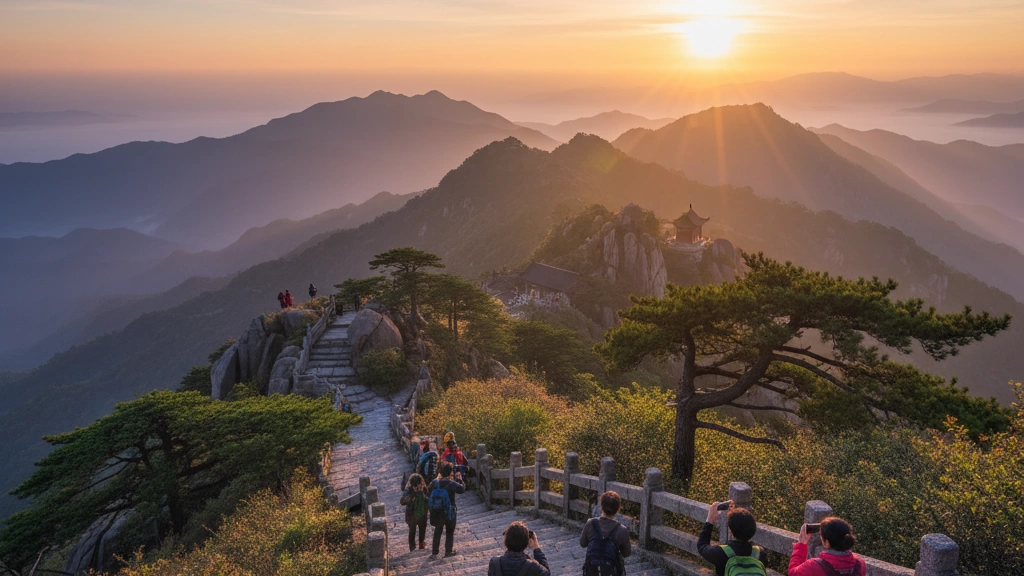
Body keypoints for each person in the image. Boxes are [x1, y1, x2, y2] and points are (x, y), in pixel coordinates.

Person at [698, 500, 766, 576]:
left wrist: (709, 521)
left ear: (731, 530)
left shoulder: (721, 553)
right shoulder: (760, 553)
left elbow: (701, 546)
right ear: (753, 529)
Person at [788, 517, 866, 576]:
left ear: (827, 542)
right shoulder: (859, 564)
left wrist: (801, 545)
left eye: (821, 536)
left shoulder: (814, 566)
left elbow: (793, 573)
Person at [579, 491, 631, 576]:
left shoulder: (590, 523)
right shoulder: (622, 530)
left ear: (601, 507)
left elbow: (583, 543)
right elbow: (627, 553)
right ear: (618, 509)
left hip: (592, 571)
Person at [427, 462, 466, 560]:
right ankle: (448, 551)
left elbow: (427, 492)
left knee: (438, 530)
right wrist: (460, 479)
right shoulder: (452, 483)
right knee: (449, 531)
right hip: (449, 511)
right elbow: (462, 489)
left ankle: (434, 552)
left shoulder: (434, 482)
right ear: (450, 473)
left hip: (437, 511)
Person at [400, 473, 430, 551]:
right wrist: (412, 495)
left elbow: (428, 496)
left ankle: (421, 543)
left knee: (422, 528)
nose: (417, 487)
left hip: (422, 512)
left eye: (418, 485)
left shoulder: (424, 487)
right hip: (411, 513)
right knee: (412, 530)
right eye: (415, 486)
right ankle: (412, 547)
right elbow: (402, 501)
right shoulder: (408, 489)